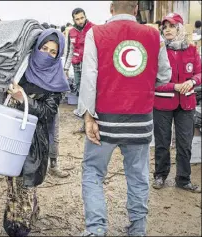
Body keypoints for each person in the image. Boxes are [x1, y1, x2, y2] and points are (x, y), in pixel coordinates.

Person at [77, 1, 171, 236]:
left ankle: (96, 228)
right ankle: (138, 228)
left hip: (105, 120)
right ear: (136, 9)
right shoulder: (153, 35)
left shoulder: (95, 33)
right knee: (138, 175)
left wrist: (88, 117)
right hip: (140, 120)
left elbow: (89, 76)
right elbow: (164, 75)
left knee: (93, 172)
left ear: (111, 8)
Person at [2, 28, 69, 236]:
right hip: (12, 132)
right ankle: (24, 214)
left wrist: (24, 100)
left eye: (52, 52)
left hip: (34, 141)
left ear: (58, 56)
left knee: (25, 182)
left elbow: (48, 113)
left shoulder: (56, 80)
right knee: (12, 180)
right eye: (44, 48)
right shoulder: (23, 68)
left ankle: (20, 224)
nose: (46, 54)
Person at [152, 13, 201, 193]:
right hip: (163, 103)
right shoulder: (158, 50)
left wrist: (193, 81)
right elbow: (155, 80)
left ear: (180, 28)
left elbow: (199, 73)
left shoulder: (191, 49)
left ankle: (183, 179)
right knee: (162, 142)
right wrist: (175, 86)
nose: (168, 30)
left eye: (172, 26)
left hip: (186, 104)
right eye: (165, 27)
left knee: (184, 143)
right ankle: (160, 175)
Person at [64, 8, 94, 94]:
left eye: (82, 18)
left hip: (90, 64)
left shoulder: (94, 28)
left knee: (90, 87)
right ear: (73, 20)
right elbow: (70, 51)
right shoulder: (71, 32)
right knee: (78, 86)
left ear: (85, 17)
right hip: (77, 65)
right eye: (77, 19)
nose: (80, 21)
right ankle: (81, 106)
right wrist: (65, 69)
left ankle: (91, 107)